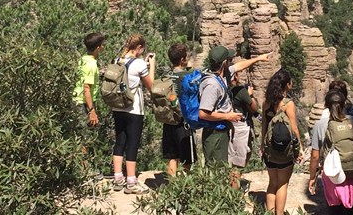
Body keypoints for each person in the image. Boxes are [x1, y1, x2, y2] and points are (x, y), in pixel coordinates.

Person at [199, 45, 272, 167]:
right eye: (229, 60)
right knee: (216, 171)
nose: (231, 63)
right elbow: (203, 113)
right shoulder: (212, 85)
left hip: (221, 132)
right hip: (214, 135)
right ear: (223, 63)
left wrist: (258, 58)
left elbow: (240, 66)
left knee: (223, 169)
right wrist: (228, 116)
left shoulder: (222, 76)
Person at [308, 90, 353, 215]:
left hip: (333, 175)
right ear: (345, 105)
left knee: (334, 210)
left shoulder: (320, 124)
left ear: (326, 106)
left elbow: (315, 156)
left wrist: (312, 178)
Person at [111, 34, 155, 195]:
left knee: (119, 142)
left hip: (117, 107)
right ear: (139, 48)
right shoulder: (139, 64)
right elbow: (151, 85)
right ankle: (131, 181)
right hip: (134, 109)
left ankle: (118, 178)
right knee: (132, 144)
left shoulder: (117, 60)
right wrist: (152, 65)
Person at [261, 69, 303, 215]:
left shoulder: (266, 102)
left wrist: (262, 146)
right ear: (287, 85)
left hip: (270, 149)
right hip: (285, 151)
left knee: (272, 183)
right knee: (282, 184)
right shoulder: (288, 104)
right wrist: (300, 149)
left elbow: (264, 126)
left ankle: (269, 213)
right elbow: (294, 129)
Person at [163, 43, 197, 176]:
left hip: (169, 119)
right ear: (183, 59)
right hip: (184, 121)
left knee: (173, 156)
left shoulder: (166, 76)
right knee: (187, 159)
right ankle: (186, 186)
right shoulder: (188, 76)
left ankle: (172, 186)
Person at [228, 70, 259, 190]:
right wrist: (250, 94)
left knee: (234, 160)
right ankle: (234, 194)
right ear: (235, 76)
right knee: (238, 163)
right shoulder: (240, 91)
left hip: (230, 125)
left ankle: (232, 187)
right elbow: (254, 108)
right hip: (240, 128)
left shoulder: (224, 88)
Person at [73, 32, 105, 128]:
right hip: (83, 103)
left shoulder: (83, 59)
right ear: (98, 48)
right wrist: (91, 110)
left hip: (78, 100)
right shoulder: (91, 65)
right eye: (102, 44)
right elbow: (86, 88)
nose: (104, 47)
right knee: (86, 135)